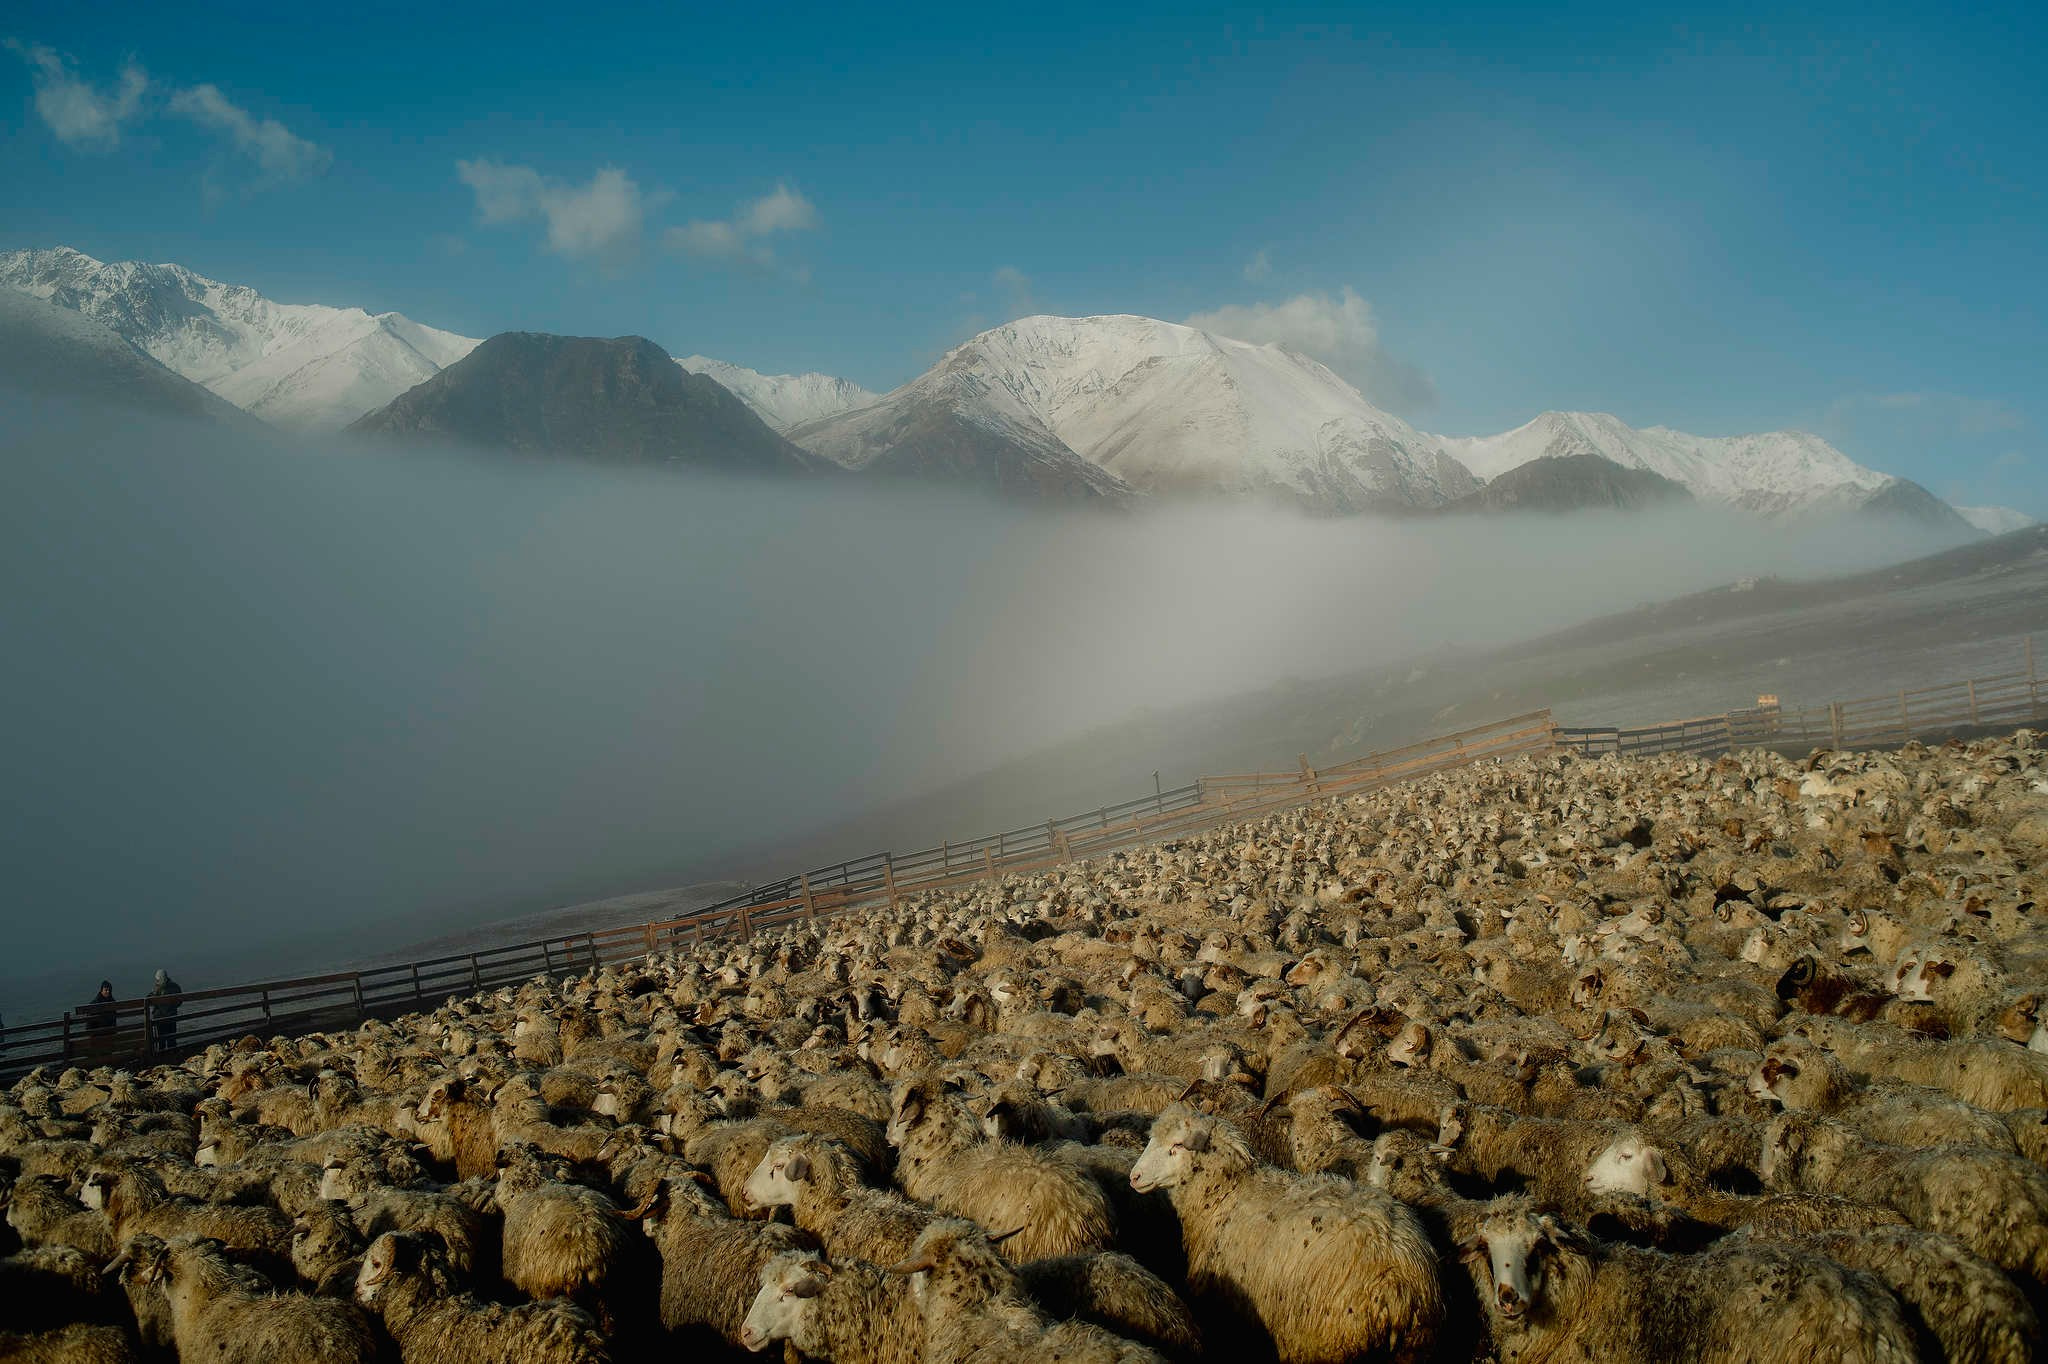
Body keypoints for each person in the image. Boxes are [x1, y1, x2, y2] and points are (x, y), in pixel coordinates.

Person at [148, 968, 183, 1054]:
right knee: (172, 1038)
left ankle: (162, 1056)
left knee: (161, 1040)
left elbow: (150, 999)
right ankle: (173, 1054)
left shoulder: (158, 989)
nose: (156, 981)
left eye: (157, 979)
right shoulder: (176, 987)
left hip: (160, 1018)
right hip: (172, 1016)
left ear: (160, 978)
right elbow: (180, 1001)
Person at [81, 980, 116, 1056]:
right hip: (100, 1035)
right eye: (106, 990)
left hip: (106, 1035)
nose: (108, 992)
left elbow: (88, 1025)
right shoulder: (112, 1002)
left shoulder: (94, 1004)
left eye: (109, 990)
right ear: (101, 990)